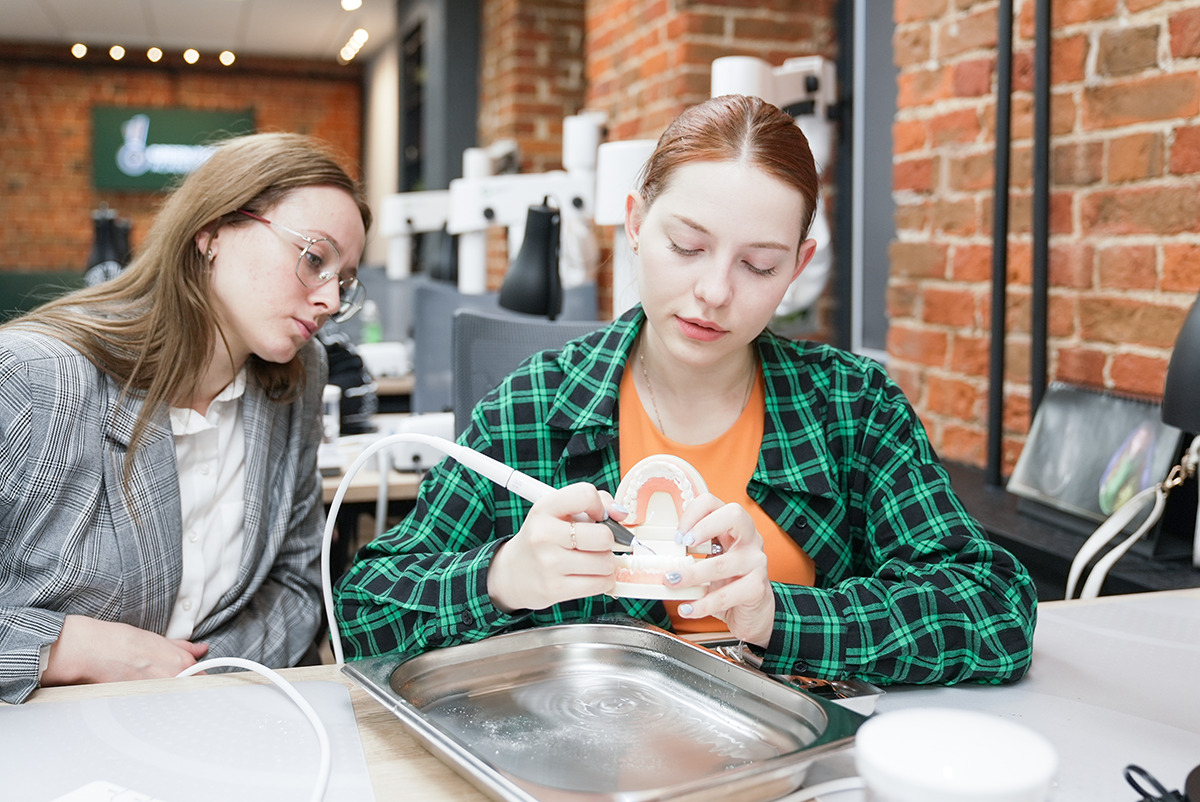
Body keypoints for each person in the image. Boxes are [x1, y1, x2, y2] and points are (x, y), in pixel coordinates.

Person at [335, 95, 1036, 686]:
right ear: (637, 225)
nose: (714, 291)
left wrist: (779, 617)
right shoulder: (532, 409)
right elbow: (365, 613)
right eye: (688, 247)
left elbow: (995, 611)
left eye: (759, 265)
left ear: (798, 267)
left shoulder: (853, 409)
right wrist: (500, 577)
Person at [0, 132, 371, 703]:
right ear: (212, 232)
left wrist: (199, 681)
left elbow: (296, 580)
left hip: (216, 717)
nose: (330, 300)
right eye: (314, 258)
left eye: (343, 280)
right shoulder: (32, 376)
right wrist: (66, 649)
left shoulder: (299, 377)